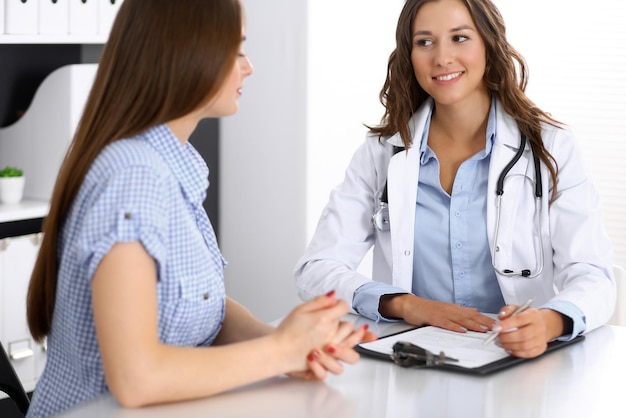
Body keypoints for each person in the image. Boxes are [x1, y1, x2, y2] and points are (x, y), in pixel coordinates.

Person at [24, 1, 375, 417]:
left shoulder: (172, 164)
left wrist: (288, 344)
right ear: (188, 53)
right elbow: (137, 379)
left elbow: (202, 304)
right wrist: (279, 352)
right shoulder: (133, 176)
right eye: (237, 49)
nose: (249, 67)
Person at [294, 0, 615, 360]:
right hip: (413, 359)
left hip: (516, 363)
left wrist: (549, 323)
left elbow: (593, 275)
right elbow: (315, 270)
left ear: (489, 45)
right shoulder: (382, 153)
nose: (442, 58)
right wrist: (405, 304)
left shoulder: (550, 147)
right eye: (425, 42)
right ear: (409, 54)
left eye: (459, 38)